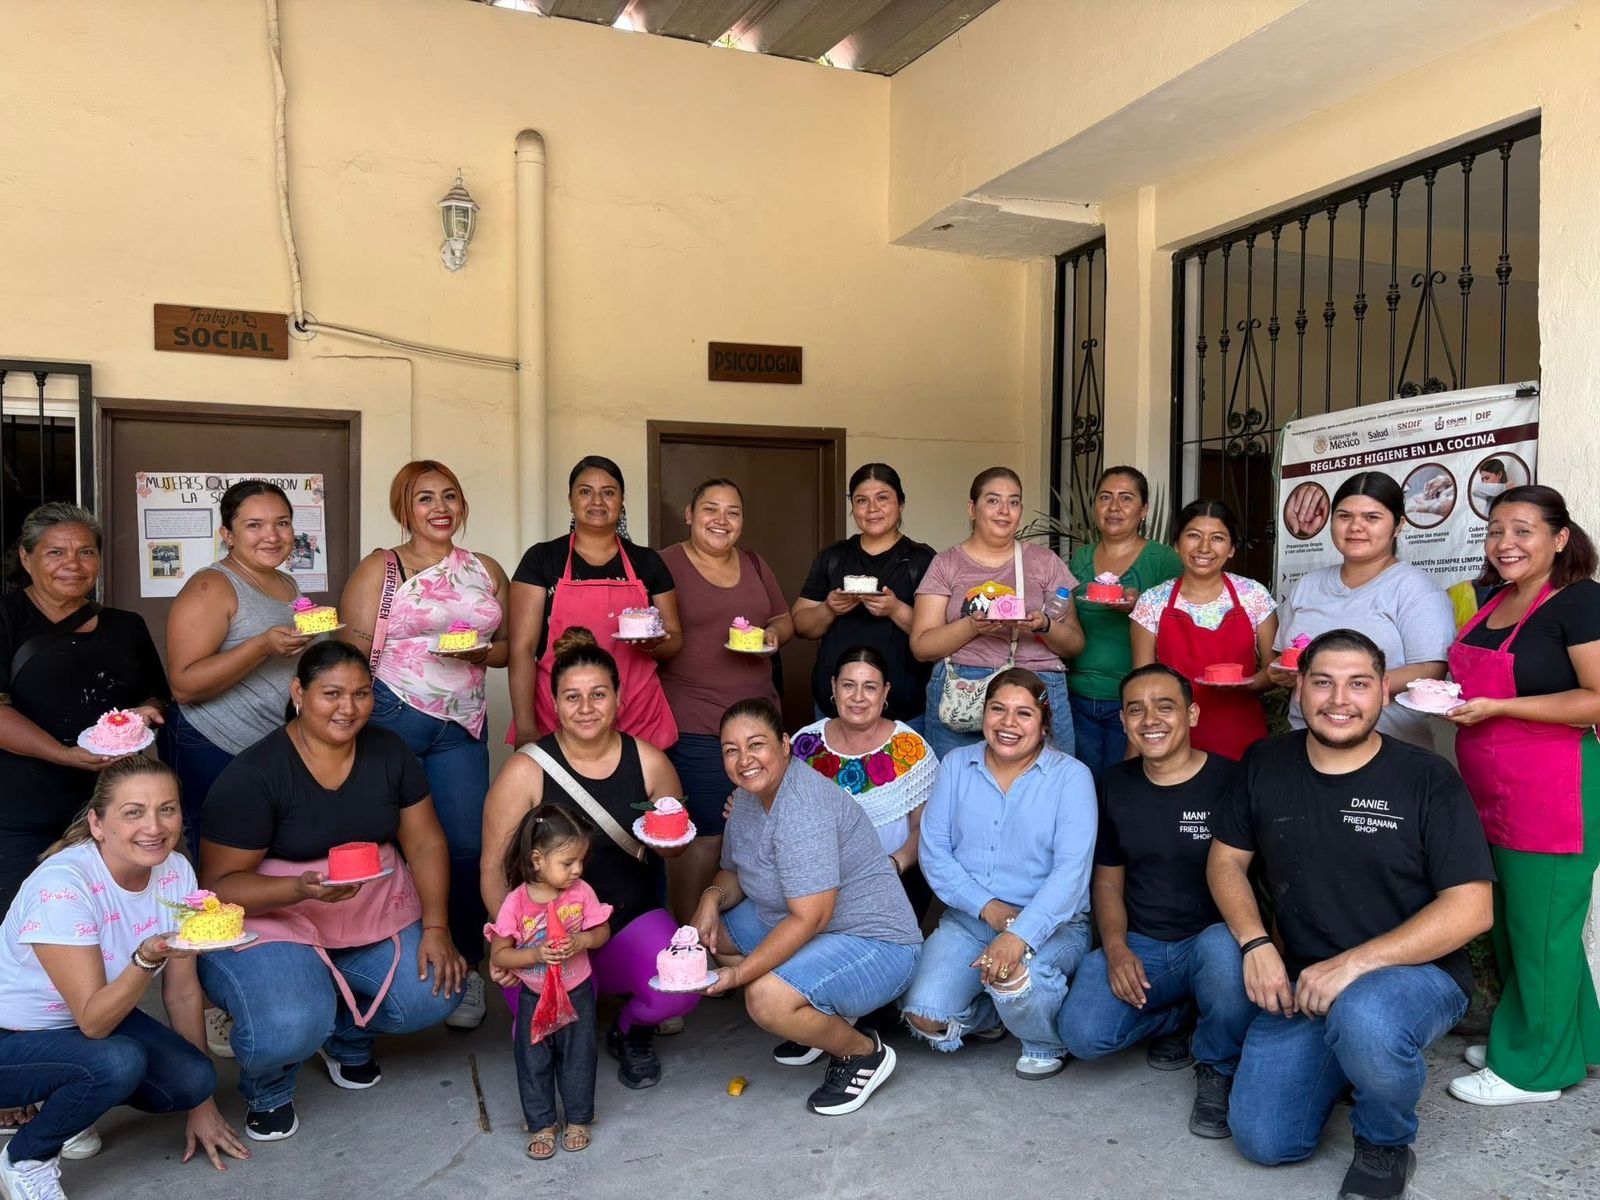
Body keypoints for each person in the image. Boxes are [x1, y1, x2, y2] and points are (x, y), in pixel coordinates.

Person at [1208, 629, 1494, 1200]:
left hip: (1415, 974)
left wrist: (1354, 966)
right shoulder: (1267, 761)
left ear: (1384, 693)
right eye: (1323, 683)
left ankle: (1385, 1141)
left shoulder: (1426, 777)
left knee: (1366, 1018)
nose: (1340, 700)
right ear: (1299, 692)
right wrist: (1254, 943)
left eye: (1358, 684)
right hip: (1307, 981)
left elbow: (1473, 909)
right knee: (1266, 1141)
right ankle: (1352, 1062)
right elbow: (1224, 862)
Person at [196, 642, 466, 1142]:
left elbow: (425, 841)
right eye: (332, 693)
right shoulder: (255, 774)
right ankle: (270, 1086)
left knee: (435, 991)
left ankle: (345, 1032)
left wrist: (436, 927)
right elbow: (220, 887)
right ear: (299, 692)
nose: (349, 708)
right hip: (274, 915)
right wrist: (297, 888)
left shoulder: (390, 751)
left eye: (362, 694)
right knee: (290, 1021)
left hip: (370, 910)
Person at [0, 759, 248, 1200]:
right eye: (133, 812)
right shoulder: (63, 886)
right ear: (97, 823)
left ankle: (64, 1102)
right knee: (116, 1061)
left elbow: (183, 990)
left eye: (167, 809)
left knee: (195, 1078)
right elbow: (95, 1023)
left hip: (81, 1020)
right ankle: (27, 1156)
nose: (153, 827)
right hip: (14, 1032)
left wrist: (202, 1104)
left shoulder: (175, 871)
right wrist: (144, 958)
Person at [481, 628, 695, 1092]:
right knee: (540, 1036)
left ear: (619, 697)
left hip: (625, 921)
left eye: (598, 694)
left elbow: (673, 845)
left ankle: (629, 1032)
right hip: (545, 936)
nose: (585, 708)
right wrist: (507, 944)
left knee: (681, 987)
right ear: (553, 702)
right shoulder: (526, 769)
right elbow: (493, 869)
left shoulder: (651, 762)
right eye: (571, 696)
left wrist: (671, 848)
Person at [1442, 486, 1600, 1106]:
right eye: (1495, 530)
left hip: (1552, 789)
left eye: (1524, 530)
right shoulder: (1496, 602)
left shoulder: (1581, 601)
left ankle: (1533, 1071)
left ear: (1560, 538)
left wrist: (1501, 705)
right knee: (1516, 927)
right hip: (1490, 789)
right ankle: (1571, 1041)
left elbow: (1595, 697)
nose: (1505, 543)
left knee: (1543, 929)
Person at [339, 460, 510, 1031]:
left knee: (464, 846)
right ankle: (376, 965)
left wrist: (482, 654)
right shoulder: (380, 569)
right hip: (394, 713)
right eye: (425, 499)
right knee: (387, 844)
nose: (440, 508)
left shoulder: (484, 568)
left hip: (463, 722)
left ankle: (462, 968)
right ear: (403, 509)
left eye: (451, 496)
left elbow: (510, 647)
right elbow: (353, 653)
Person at [693, 698, 921, 1115]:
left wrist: (740, 974)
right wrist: (709, 899)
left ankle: (862, 1053)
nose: (744, 760)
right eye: (731, 749)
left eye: (756, 744)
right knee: (713, 939)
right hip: (809, 924)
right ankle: (819, 1020)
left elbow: (811, 916)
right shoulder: (747, 796)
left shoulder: (803, 807)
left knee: (764, 998)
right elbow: (734, 873)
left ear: (784, 745)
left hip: (876, 943)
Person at [1057, 664, 1253, 1138]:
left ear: (1192, 713)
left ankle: (1216, 1064)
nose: (1151, 720)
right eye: (1136, 710)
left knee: (1226, 956)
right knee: (1083, 1035)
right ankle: (1177, 1018)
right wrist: (1117, 947)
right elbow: (1107, 881)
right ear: (1122, 722)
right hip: (1144, 945)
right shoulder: (1113, 784)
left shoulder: (1233, 781)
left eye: (1165, 706)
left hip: (1213, 942)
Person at [902, 669, 1096, 1080]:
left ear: (1044, 726)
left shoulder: (1071, 777)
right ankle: (993, 1017)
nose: (1008, 724)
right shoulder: (955, 765)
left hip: (1052, 924)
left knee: (1014, 977)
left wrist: (1018, 934)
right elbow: (934, 853)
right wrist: (987, 908)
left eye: (1024, 714)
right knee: (923, 1016)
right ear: (983, 713)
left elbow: (1071, 873)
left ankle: (1043, 1039)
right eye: (998, 709)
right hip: (971, 921)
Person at [0, 503, 169, 911]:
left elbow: (154, 695)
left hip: (112, 811)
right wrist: (65, 754)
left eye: (86, 552)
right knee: (25, 926)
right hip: (22, 811)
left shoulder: (126, 626)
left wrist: (146, 713)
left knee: (109, 923)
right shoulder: (7, 619)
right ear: (27, 557)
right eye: (56, 552)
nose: (72, 564)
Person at [657, 478, 792, 923]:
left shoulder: (754, 563)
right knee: (707, 835)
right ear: (690, 514)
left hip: (759, 722)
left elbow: (782, 619)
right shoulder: (665, 565)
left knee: (759, 830)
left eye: (733, 511)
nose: (722, 519)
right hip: (697, 723)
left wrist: (773, 635)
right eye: (710, 509)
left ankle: (735, 932)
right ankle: (687, 937)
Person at [165, 480, 307, 859]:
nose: (272, 536)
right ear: (228, 534)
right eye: (254, 525)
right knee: (219, 865)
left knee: (262, 858)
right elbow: (184, 685)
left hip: (270, 744)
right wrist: (261, 646)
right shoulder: (212, 586)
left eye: (282, 523)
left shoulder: (285, 581)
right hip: (216, 743)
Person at [1267, 472, 1453, 749]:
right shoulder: (1308, 585)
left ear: (1398, 525)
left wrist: (1350, 685)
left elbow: (1431, 669)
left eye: (1372, 518)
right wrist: (1282, 673)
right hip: (1307, 744)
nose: (1356, 527)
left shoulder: (1415, 588)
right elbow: (1286, 658)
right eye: (1344, 516)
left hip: (1389, 747)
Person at [507, 455, 681, 750]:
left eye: (608, 492)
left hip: (637, 714)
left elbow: (675, 639)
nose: (597, 501)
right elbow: (521, 649)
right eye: (585, 491)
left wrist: (650, 643)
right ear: (571, 499)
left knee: (639, 797)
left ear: (622, 500)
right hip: (559, 713)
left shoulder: (647, 561)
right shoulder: (542, 558)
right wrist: (525, 725)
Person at [912, 467, 1084, 760]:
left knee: (1045, 789)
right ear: (972, 508)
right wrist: (973, 626)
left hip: (1038, 684)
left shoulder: (1045, 562)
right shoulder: (946, 564)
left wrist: (1044, 625)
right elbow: (921, 647)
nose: (1004, 511)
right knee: (961, 790)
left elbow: (1075, 644)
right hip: (963, 689)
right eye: (993, 500)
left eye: (1014, 502)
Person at [485, 805, 611, 1160]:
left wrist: (584, 941)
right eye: (568, 862)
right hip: (533, 995)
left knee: (578, 1057)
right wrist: (535, 955)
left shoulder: (581, 892)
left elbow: (601, 930)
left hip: (578, 991)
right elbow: (500, 955)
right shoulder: (516, 903)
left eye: (580, 861)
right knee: (533, 1059)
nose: (577, 870)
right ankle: (541, 1124)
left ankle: (578, 1120)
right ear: (537, 860)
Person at [788, 645, 938, 924]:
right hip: (814, 885)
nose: (858, 697)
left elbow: (927, 828)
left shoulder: (909, 748)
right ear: (833, 687)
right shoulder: (805, 744)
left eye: (870, 687)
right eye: (848, 685)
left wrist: (893, 864)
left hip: (890, 883)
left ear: (885, 692)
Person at [792, 463, 936, 730]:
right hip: (832, 712)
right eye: (861, 500)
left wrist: (895, 610)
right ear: (852, 507)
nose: (872, 509)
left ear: (901, 503)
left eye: (883, 498)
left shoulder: (921, 559)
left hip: (904, 716)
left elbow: (938, 635)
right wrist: (829, 609)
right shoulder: (833, 557)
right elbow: (800, 624)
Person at [1131, 499, 1277, 759]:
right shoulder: (1152, 602)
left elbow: (1273, 670)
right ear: (1176, 544)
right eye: (1193, 536)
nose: (1204, 547)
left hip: (1240, 734)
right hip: (1172, 738)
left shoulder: (1254, 595)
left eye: (1218, 538)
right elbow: (1141, 683)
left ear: (1232, 548)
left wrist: (1245, 684)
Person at [1065, 466, 1182, 778]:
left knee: (1125, 788)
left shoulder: (1164, 560)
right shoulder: (1080, 558)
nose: (1114, 507)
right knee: (1081, 789)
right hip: (1078, 698)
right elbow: (1068, 620)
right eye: (1105, 497)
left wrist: (1138, 606)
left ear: (1144, 510)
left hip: (1134, 701)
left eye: (1126, 498)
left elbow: (1179, 627)